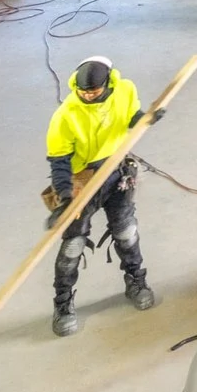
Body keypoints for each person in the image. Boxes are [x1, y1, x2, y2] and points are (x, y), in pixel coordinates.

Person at [46, 56, 162, 337]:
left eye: (94, 91)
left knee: (126, 231)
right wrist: (65, 197)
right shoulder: (66, 115)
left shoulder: (125, 90)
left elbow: (129, 117)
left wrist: (143, 119)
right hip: (81, 178)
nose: (87, 96)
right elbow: (59, 160)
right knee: (73, 243)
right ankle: (63, 303)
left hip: (115, 170)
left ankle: (136, 280)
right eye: (83, 92)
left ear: (108, 84)